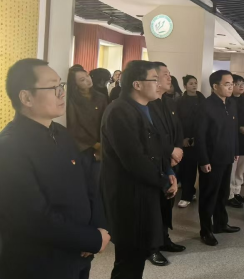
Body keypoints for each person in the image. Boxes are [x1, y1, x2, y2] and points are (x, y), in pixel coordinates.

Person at [0, 59, 110, 279]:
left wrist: (96, 228)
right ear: (26, 97)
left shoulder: (61, 133)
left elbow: (88, 186)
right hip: (41, 262)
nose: (61, 93)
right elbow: (33, 216)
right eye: (53, 87)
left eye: (61, 85)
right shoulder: (10, 147)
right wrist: (89, 239)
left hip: (78, 254)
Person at [100, 61, 178, 279]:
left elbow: (158, 146)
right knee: (129, 259)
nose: (158, 84)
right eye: (154, 79)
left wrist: (168, 173)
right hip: (129, 195)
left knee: (139, 253)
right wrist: (163, 181)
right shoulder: (119, 111)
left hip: (146, 190)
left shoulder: (147, 107)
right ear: (137, 84)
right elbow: (134, 159)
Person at [195, 70, 241, 246]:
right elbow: (200, 136)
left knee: (223, 193)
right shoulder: (206, 106)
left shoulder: (231, 103)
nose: (231, 87)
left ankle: (221, 223)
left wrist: (235, 149)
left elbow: (233, 129)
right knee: (209, 196)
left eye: (232, 84)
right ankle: (205, 230)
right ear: (215, 86)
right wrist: (203, 160)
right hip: (211, 160)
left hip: (227, 156)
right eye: (227, 84)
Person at [147, 62, 185, 266]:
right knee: (153, 206)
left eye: (169, 74)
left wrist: (177, 150)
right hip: (155, 162)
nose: (169, 77)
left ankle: (164, 238)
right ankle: (151, 247)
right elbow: (152, 136)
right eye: (164, 74)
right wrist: (170, 151)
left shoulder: (169, 102)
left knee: (167, 202)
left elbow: (177, 129)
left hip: (170, 161)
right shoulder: (146, 105)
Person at [66, 66, 108, 185]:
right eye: (82, 80)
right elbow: (74, 127)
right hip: (83, 146)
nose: (88, 80)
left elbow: (105, 122)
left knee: (98, 182)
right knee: (83, 181)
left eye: (87, 76)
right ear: (75, 84)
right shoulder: (71, 101)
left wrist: (102, 144)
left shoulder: (101, 97)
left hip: (101, 145)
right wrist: (94, 144)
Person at [177, 75, 206, 208]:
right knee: (188, 169)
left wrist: (197, 138)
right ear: (185, 86)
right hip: (186, 140)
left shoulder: (202, 100)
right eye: (191, 83)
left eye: (195, 83)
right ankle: (187, 195)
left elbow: (205, 121)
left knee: (204, 168)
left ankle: (199, 194)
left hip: (200, 139)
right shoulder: (179, 101)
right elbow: (178, 122)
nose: (194, 85)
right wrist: (183, 138)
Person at [227, 74, 244, 209]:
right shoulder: (228, 101)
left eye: (243, 83)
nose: (241, 86)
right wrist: (238, 128)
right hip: (232, 139)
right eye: (238, 83)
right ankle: (229, 195)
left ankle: (236, 191)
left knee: (241, 169)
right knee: (232, 168)